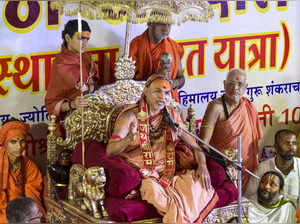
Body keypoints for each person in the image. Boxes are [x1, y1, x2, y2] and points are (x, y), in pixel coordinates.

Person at [106, 74, 218, 223]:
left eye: (166, 93)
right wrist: (127, 140)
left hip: (169, 172)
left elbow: (195, 145)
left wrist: (203, 166)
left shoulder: (171, 115)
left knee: (198, 185)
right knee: (152, 191)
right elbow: (110, 150)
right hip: (144, 175)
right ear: (145, 91)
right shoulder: (129, 117)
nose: (162, 97)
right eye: (157, 91)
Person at [198, 68, 263, 206]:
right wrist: (209, 164)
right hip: (223, 168)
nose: (235, 88)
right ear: (224, 84)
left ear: (246, 87)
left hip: (246, 168)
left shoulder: (249, 107)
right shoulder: (216, 107)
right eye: (231, 83)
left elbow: (254, 142)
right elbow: (203, 144)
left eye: (240, 85)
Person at [45, 19, 100, 137]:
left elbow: (94, 85)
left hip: (92, 118)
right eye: (80, 38)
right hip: (70, 124)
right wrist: (73, 105)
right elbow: (51, 103)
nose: (85, 43)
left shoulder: (87, 59)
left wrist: (89, 87)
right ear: (68, 38)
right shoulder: (60, 65)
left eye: (87, 39)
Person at [0, 118, 45, 223]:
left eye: (22, 141)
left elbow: (32, 194)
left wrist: (30, 215)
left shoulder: (29, 165)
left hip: (21, 213)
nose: (19, 147)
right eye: (13, 142)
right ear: (5, 142)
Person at [129, 22, 185, 102]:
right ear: (150, 24)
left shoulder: (173, 46)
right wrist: (156, 77)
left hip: (169, 102)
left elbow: (181, 79)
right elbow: (129, 84)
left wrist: (171, 83)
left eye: (169, 24)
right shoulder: (136, 45)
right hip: (145, 102)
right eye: (161, 24)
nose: (166, 28)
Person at [245, 129, 300, 208]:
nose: (291, 147)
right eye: (287, 143)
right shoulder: (263, 168)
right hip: (267, 216)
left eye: (294, 143)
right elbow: (250, 196)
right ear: (276, 147)